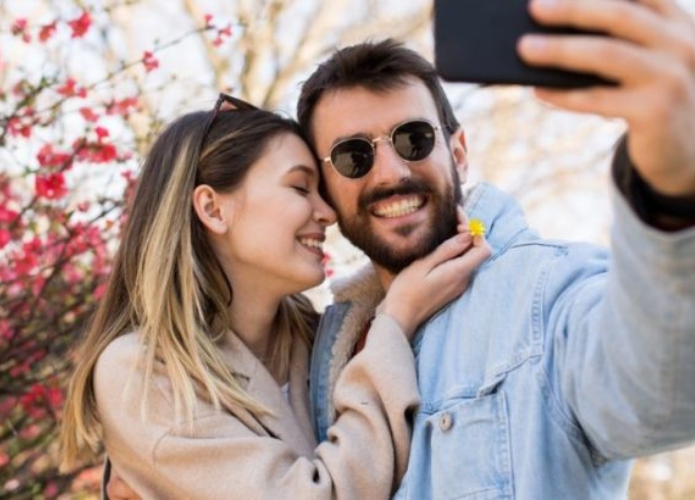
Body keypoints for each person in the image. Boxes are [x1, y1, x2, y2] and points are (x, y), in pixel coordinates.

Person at [103, 0, 695, 498]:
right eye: (353, 156)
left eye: (414, 139)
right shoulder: (328, 342)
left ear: (457, 153)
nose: (390, 173)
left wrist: (671, 189)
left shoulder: (542, 292)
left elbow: (659, 391)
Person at [59, 94, 490, 498]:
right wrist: (394, 321)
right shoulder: (144, 370)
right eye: (301, 188)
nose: (327, 213)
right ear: (212, 209)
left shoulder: (322, 342)